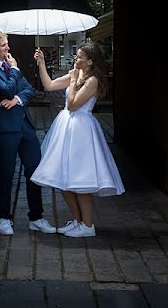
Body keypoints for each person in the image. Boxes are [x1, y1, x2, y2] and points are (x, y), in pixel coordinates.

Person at [30, 41, 125, 237]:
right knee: (63, 178)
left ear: (90, 62)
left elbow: (73, 105)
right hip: (66, 128)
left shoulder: (92, 81)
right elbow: (49, 86)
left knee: (80, 179)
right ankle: (77, 221)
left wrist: (73, 82)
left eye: (80, 56)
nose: (76, 58)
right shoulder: (77, 74)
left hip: (81, 130)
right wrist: (41, 63)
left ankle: (88, 226)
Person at [0, 29, 57, 236]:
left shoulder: (11, 67)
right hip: (5, 129)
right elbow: (5, 89)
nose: (8, 48)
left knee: (34, 171)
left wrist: (17, 100)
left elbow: (28, 90)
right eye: (3, 45)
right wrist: (14, 71)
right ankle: (4, 217)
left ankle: (36, 217)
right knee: (6, 173)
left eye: (7, 44)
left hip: (25, 126)